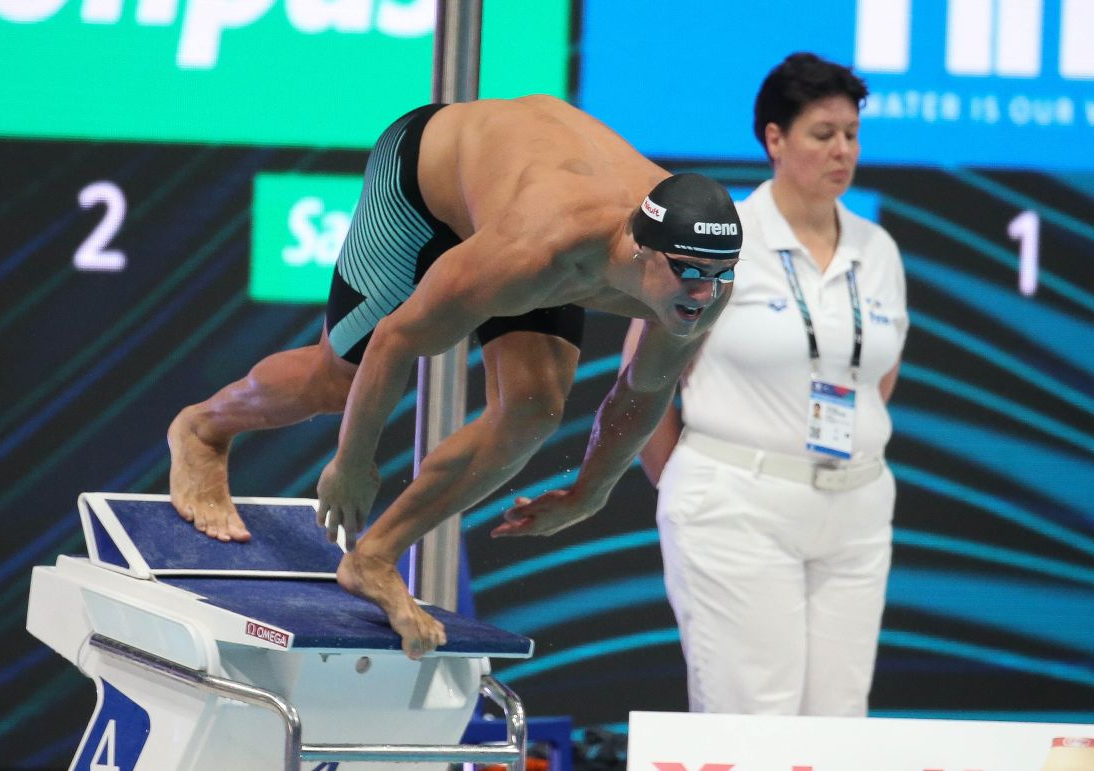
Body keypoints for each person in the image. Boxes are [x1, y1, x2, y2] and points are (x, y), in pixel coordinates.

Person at [167, 95, 743, 659]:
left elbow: (642, 390)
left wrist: (589, 491)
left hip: (513, 201)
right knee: (339, 381)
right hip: (423, 184)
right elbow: (397, 339)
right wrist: (352, 461)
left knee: (532, 410)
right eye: (688, 272)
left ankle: (372, 559)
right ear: (642, 251)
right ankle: (203, 428)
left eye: (717, 275)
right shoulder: (536, 250)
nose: (702, 291)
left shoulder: (704, 288)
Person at [622, 53, 908, 715]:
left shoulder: (878, 248)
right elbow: (642, 379)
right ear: (774, 139)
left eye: (851, 134)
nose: (843, 149)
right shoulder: (725, 239)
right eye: (822, 133)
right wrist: (697, 484)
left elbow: (876, 377)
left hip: (857, 508)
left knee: (839, 728)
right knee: (754, 725)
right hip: (737, 503)